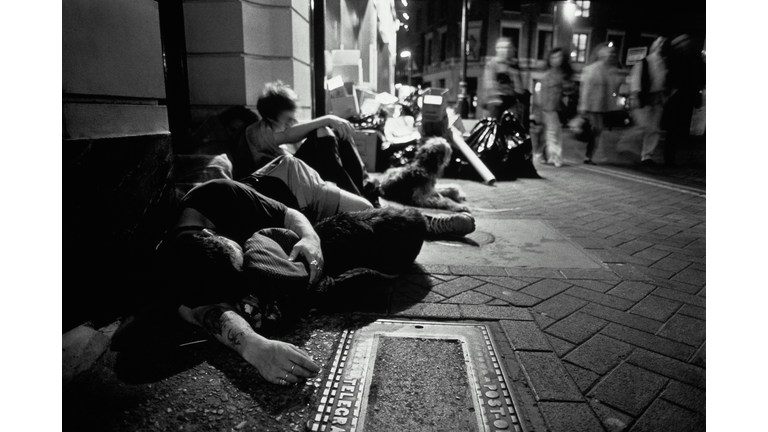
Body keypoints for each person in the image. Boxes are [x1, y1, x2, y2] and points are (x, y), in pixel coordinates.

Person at [238, 81, 380, 205]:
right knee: (323, 131)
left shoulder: (285, 128)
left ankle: (365, 191)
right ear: (271, 117)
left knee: (337, 133)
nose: (292, 122)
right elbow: (288, 136)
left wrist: (335, 124)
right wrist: (329, 119)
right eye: (288, 119)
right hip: (281, 185)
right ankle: (356, 199)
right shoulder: (256, 133)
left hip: (299, 175)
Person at [661, 34, 705, 167]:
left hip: (680, 96)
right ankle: (671, 158)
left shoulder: (675, 59)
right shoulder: (690, 59)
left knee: (677, 130)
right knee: (676, 129)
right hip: (681, 97)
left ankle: (672, 158)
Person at [577, 43, 622, 165]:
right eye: (608, 53)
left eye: (612, 54)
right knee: (594, 131)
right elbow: (585, 89)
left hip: (601, 107)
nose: (611, 56)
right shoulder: (591, 69)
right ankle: (588, 156)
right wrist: (583, 107)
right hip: (592, 107)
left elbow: (612, 90)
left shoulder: (610, 71)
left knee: (597, 131)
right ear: (601, 55)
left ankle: (590, 155)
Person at [630, 37, 669, 166]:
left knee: (653, 128)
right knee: (644, 126)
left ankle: (647, 156)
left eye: (663, 44)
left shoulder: (664, 64)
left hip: (657, 99)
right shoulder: (645, 62)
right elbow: (636, 79)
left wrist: (663, 97)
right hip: (646, 98)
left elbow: (664, 83)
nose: (661, 46)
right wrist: (636, 95)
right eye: (659, 43)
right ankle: (628, 145)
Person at [538, 47, 575, 167]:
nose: (556, 60)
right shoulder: (547, 76)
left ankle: (546, 155)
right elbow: (542, 94)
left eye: (559, 57)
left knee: (551, 133)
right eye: (553, 57)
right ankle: (554, 157)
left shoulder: (564, 75)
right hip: (548, 108)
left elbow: (569, 91)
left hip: (557, 108)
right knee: (553, 133)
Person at [482, 37, 526, 121]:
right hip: (496, 101)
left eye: (508, 47)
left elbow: (520, 89)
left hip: (511, 101)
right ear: (497, 49)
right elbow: (489, 84)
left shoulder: (514, 66)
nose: (505, 50)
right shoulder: (492, 64)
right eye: (502, 48)